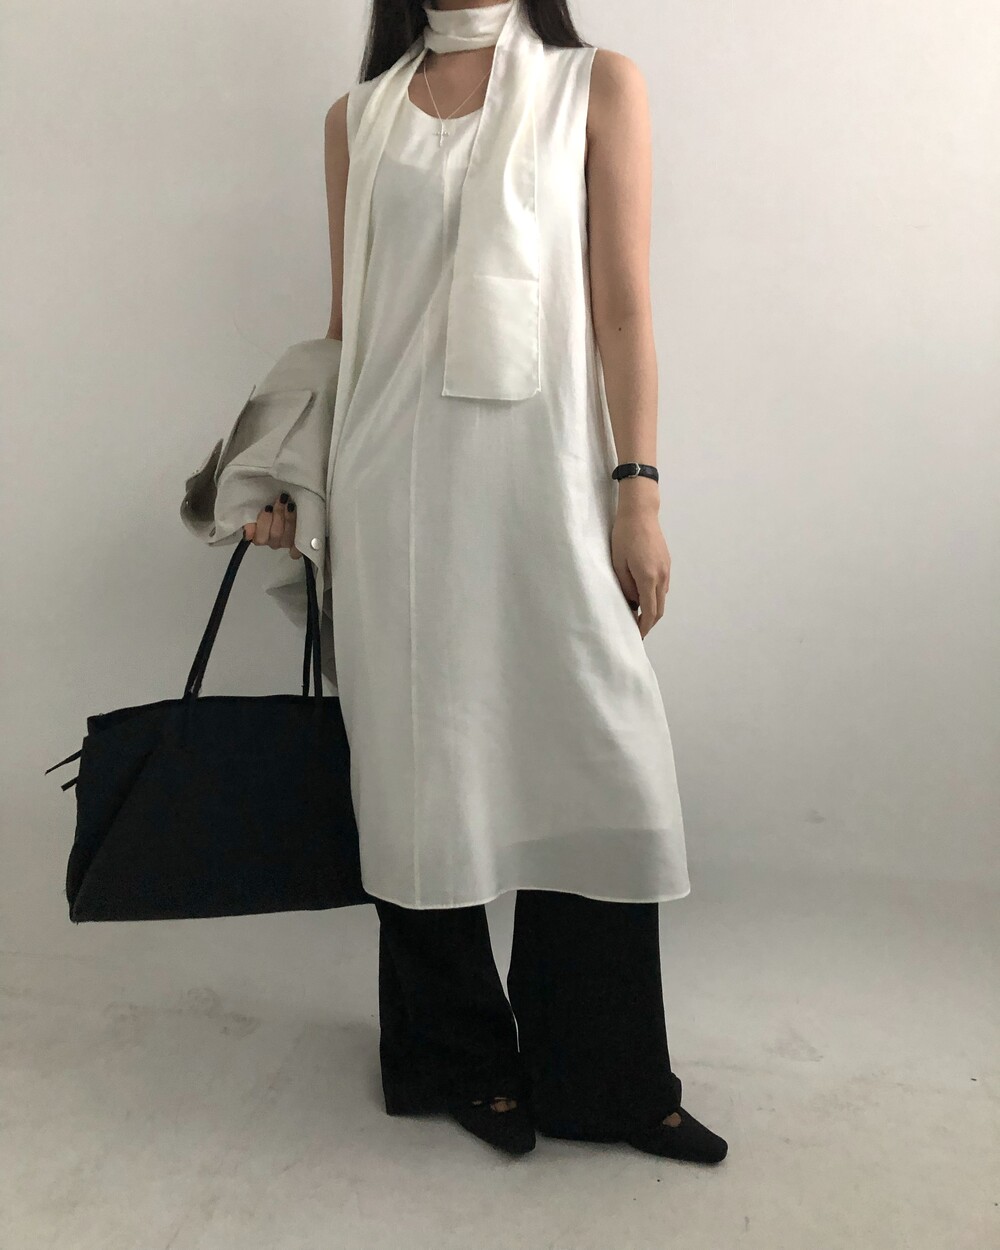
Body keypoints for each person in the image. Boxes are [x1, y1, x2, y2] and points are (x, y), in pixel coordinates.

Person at [242, 0, 727, 1163]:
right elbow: (349, 326)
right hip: (392, 493)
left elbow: (622, 304)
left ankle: (603, 1077)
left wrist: (638, 490)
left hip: (546, 481)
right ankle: (453, 1057)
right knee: (420, 772)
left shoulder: (594, 85)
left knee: (595, 750)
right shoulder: (357, 117)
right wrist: (297, 485)